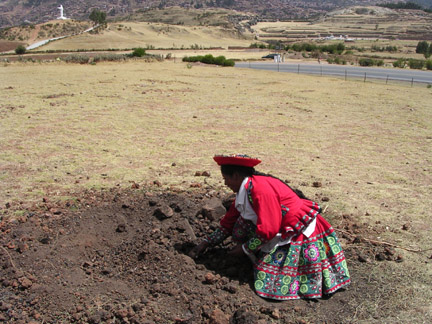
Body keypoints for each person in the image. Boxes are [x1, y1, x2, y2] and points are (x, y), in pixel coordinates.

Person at [189, 154, 350, 300]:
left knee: (267, 279)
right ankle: (258, 253)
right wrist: (205, 243)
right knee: (240, 226)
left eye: (226, 179)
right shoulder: (244, 191)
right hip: (277, 229)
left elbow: (268, 229)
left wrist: (245, 248)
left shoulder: (260, 190)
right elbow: (228, 224)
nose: (225, 183)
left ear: (236, 176)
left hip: (297, 231)